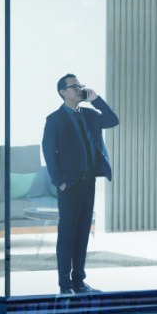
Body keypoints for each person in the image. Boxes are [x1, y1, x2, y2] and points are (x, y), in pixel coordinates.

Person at [41, 74, 120, 294]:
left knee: (83, 232)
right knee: (67, 234)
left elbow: (113, 120)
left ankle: (79, 281)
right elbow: (49, 152)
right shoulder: (54, 119)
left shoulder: (89, 114)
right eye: (73, 86)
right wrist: (60, 182)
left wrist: (96, 99)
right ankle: (64, 284)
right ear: (63, 92)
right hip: (70, 185)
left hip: (88, 182)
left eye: (80, 85)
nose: (79, 88)